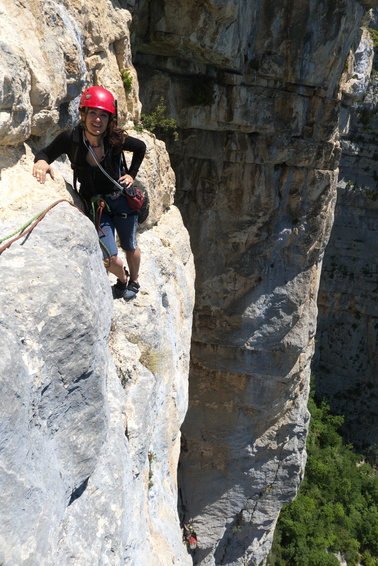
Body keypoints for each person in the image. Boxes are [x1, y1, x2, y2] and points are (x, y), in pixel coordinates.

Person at [32, 85, 146, 300]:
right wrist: (41, 162)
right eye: (92, 113)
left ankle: (135, 281)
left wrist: (131, 174)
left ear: (109, 119)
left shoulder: (114, 139)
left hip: (121, 201)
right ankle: (122, 280)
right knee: (109, 258)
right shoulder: (71, 139)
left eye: (103, 115)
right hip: (97, 206)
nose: (97, 120)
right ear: (82, 114)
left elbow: (140, 147)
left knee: (130, 245)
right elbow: (46, 153)